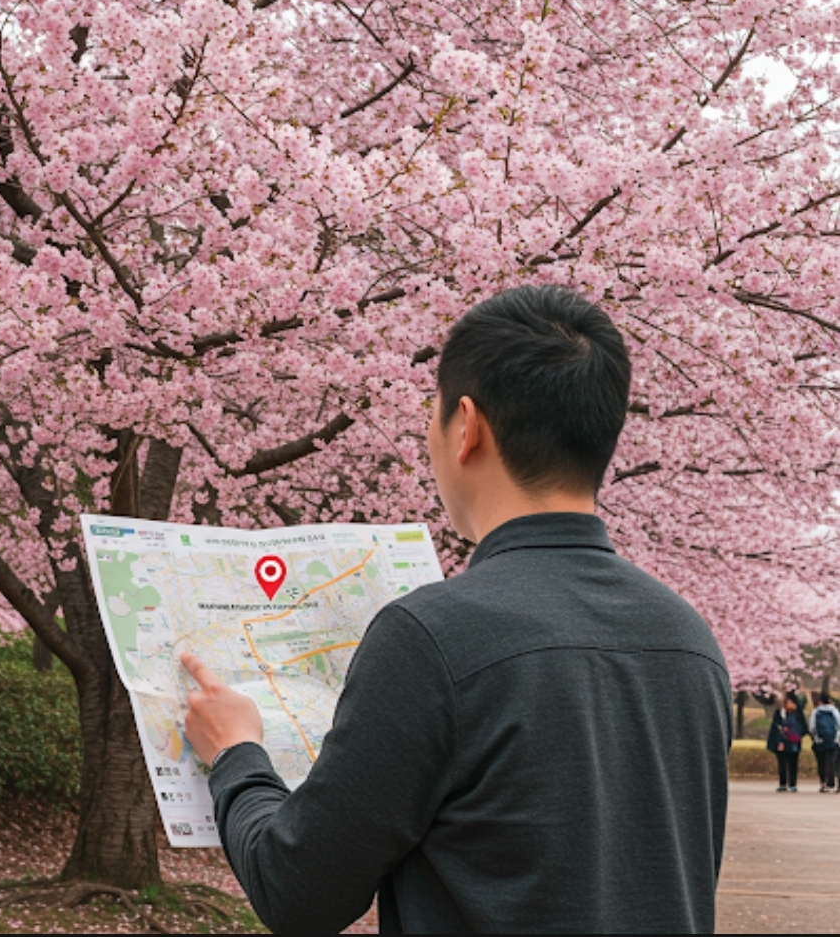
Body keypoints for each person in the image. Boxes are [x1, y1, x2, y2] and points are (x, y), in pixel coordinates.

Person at [182, 285, 732, 934]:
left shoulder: (431, 638)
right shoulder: (689, 640)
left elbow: (298, 893)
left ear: (465, 426)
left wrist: (237, 754)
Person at [767, 693, 809, 791]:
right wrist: (779, 741)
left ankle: (793, 784)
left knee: (793, 763)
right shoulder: (779, 713)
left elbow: (804, 729)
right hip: (782, 742)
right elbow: (775, 728)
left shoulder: (799, 715)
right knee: (782, 763)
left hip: (794, 743)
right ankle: (783, 783)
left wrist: (796, 736)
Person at [808, 693, 840, 792]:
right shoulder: (834, 711)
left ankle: (823, 783)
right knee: (832, 761)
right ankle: (831, 783)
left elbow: (812, 727)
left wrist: (815, 736)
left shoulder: (816, 711)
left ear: (820, 701)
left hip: (819, 740)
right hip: (833, 740)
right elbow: (839, 725)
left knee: (821, 762)